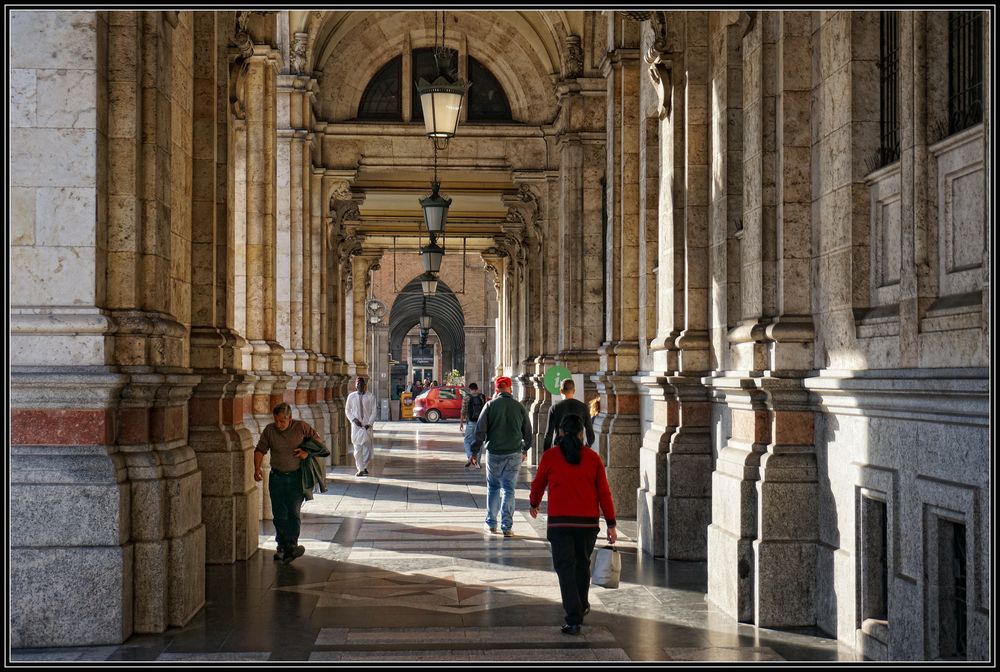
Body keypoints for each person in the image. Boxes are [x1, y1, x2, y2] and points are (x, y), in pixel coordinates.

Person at [529, 414, 617, 635]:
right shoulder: (593, 458)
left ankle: (573, 617)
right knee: (582, 565)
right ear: (581, 433)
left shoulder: (550, 457)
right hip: (587, 524)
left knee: (565, 570)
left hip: (560, 523)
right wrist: (611, 523)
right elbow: (604, 493)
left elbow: (538, 483)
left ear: (560, 433)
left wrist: (534, 503)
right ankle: (582, 604)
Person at [254, 402, 326, 564]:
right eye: (276, 421)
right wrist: (256, 469)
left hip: (296, 478)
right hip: (277, 477)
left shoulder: (301, 428)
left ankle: (291, 544)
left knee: (293, 512)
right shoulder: (270, 430)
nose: (279, 425)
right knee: (279, 514)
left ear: (290, 418)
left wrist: (306, 452)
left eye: (282, 421)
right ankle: (283, 546)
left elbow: (319, 443)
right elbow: (260, 449)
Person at [469, 376, 532, 537]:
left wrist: (474, 452)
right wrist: (525, 449)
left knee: (493, 487)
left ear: (496, 390)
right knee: (509, 489)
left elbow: (480, 431)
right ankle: (507, 526)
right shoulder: (519, 406)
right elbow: (528, 431)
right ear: (510, 389)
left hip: (495, 453)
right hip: (514, 453)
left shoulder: (490, 405)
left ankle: (491, 524)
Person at [543, 378, 595, 452]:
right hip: (578, 449)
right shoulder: (583, 407)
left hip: (560, 449)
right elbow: (590, 432)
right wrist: (587, 446)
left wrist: (546, 453)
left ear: (561, 391)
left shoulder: (554, 408)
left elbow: (548, 434)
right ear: (574, 391)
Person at [345, 376, 377, 477]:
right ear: (356, 386)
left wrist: (369, 423)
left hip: (367, 426)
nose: (360, 386)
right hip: (356, 427)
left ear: (365, 386)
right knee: (357, 448)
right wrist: (353, 420)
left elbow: (374, 411)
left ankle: (364, 466)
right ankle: (360, 469)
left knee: (368, 449)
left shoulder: (371, 396)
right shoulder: (351, 397)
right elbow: (347, 410)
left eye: (362, 385)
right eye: (358, 385)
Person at [459, 382, 486, 469]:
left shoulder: (466, 398)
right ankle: (477, 462)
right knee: (479, 442)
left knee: (467, 440)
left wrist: (461, 423)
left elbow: (463, 411)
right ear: (477, 388)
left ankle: (470, 456)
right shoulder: (482, 397)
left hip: (470, 423)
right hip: (480, 423)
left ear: (469, 389)